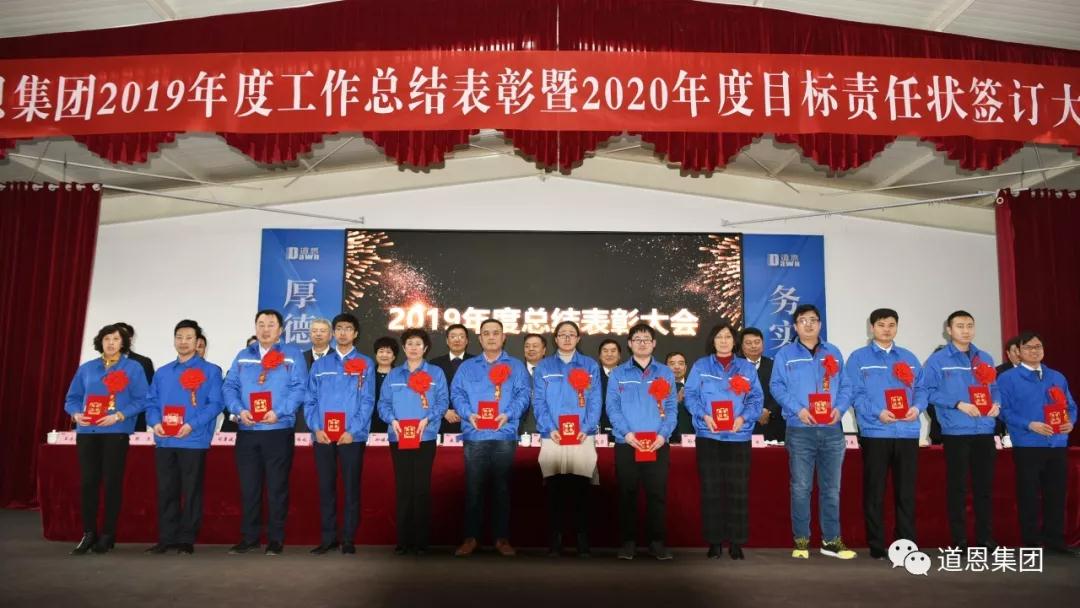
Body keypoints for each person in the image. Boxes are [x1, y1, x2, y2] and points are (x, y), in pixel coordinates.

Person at [770, 304, 855, 560]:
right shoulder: (785, 354)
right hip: (800, 430)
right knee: (801, 487)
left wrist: (840, 409)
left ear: (820, 324)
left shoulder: (834, 352)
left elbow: (846, 386)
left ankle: (831, 541)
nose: (808, 324)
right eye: (803, 320)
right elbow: (777, 386)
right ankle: (801, 541)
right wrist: (798, 410)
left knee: (831, 489)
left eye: (813, 320)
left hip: (832, 430)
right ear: (795, 326)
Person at [222, 309, 308, 556]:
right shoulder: (243, 355)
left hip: (277, 430)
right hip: (248, 430)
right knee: (249, 487)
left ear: (280, 330)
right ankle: (249, 538)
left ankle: (275, 539)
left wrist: (279, 412)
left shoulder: (292, 355)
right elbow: (230, 386)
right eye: (261, 324)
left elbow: (299, 388)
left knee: (277, 487)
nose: (265, 329)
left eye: (271, 324)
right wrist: (238, 410)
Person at [845, 309, 926, 560]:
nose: (887, 329)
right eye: (881, 325)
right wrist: (877, 412)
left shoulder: (909, 357)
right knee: (875, 490)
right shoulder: (858, 358)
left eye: (891, 325)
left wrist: (917, 408)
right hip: (876, 431)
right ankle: (877, 544)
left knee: (906, 492)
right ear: (871, 328)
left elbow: (922, 389)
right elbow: (855, 394)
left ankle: (906, 541)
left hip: (907, 432)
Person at [64, 323, 150, 555]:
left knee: (112, 482)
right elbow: (72, 399)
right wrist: (76, 414)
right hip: (87, 432)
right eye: (106, 339)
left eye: (116, 339)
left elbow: (143, 399)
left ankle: (108, 534)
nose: (111, 343)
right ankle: (88, 533)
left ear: (124, 343)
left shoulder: (133, 368)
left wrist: (119, 415)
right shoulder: (87, 368)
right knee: (88, 483)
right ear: (100, 342)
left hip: (116, 432)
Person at [920, 310, 1000, 550]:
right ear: (949, 330)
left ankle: (985, 537)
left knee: (984, 488)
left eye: (969, 326)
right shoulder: (938, 360)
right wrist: (957, 404)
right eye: (960, 326)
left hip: (984, 430)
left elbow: (994, 388)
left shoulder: (985, 357)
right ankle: (960, 539)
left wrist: (997, 404)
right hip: (956, 432)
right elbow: (927, 392)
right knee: (958, 488)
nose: (966, 330)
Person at [684, 321, 763, 560]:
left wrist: (743, 418)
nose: (724, 341)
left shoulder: (746, 367)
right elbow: (690, 396)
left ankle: (737, 542)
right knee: (711, 490)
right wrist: (704, 416)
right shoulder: (700, 366)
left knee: (738, 490)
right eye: (719, 337)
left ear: (734, 341)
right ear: (713, 341)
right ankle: (714, 541)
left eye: (728, 336)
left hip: (739, 436)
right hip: (709, 435)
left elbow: (756, 399)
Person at [451, 319, 530, 557]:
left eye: (496, 333)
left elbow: (523, 395)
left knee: (502, 489)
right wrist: (468, 414)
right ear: (480, 338)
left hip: (504, 434)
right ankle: (471, 538)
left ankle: (501, 539)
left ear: (504, 337)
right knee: (473, 489)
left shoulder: (516, 366)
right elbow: (457, 393)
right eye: (486, 333)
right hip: (475, 434)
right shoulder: (467, 366)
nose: (492, 337)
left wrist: (508, 414)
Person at [144, 320, 224, 555]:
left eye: (189, 338)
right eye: (179, 337)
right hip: (165, 440)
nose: (183, 342)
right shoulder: (162, 372)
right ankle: (166, 538)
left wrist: (191, 425)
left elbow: (216, 404)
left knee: (191, 491)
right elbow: (150, 402)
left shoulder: (211, 371)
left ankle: (186, 538)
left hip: (193, 439)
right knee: (166, 490)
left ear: (198, 342)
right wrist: (155, 423)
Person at [997, 332, 1079, 557]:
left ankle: (1055, 540)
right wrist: (1029, 424)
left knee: (1056, 494)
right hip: (1028, 444)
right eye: (1029, 347)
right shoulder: (1007, 379)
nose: (1035, 351)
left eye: (1038, 347)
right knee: (1029, 495)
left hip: (1057, 443)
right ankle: (1031, 542)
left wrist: (1070, 422)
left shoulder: (1057, 377)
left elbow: (1071, 406)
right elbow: (1004, 411)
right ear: (1018, 352)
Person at [305, 313, 375, 555]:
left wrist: (352, 430)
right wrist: (316, 428)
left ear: (355, 333)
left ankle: (348, 539)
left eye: (348, 328)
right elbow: (310, 400)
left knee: (351, 488)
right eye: (339, 328)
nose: (343, 332)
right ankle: (328, 539)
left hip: (351, 437)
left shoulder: (365, 363)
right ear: (333, 333)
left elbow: (367, 401)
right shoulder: (320, 365)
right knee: (326, 488)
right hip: (323, 436)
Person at [607, 323, 678, 561]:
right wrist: (627, 434)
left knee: (657, 495)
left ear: (654, 343)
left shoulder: (665, 373)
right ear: (629, 344)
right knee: (627, 494)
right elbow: (612, 408)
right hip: (627, 443)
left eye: (646, 339)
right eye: (637, 339)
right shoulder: (618, 373)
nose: (642, 343)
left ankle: (657, 543)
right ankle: (628, 543)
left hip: (657, 442)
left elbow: (671, 408)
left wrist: (663, 435)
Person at [533, 321, 602, 557]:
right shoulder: (544, 366)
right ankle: (556, 539)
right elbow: (538, 401)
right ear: (555, 338)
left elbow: (595, 401)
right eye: (562, 334)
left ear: (578, 338)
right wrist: (549, 427)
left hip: (582, 435)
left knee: (581, 488)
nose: (567, 338)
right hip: (553, 435)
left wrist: (587, 427)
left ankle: (582, 539)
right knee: (555, 489)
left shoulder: (590, 365)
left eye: (571, 334)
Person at [377, 328, 449, 555]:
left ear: (425, 348)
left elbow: (442, 402)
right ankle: (403, 541)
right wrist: (392, 420)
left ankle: (421, 542)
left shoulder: (436, 373)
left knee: (421, 488)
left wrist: (428, 419)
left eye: (418, 344)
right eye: (409, 344)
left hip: (425, 436)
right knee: (403, 488)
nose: (414, 348)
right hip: (398, 436)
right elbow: (383, 404)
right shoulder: (394, 375)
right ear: (404, 347)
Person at [742, 328, 784, 442]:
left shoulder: (774, 366)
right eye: (748, 343)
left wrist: (768, 410)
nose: (753, 346)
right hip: (743, 425)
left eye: (757, 342)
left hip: (770, 424)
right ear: (742, 346)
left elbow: (781, 390)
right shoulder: (734, 367)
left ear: (763, 344)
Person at [430, 323, 473, 433]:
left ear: (467, 341)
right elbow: (429, 392)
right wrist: (444, 411)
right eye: (453, 336)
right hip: (442, 420)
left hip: (470, 420)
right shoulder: (434, 364)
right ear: (447, 341)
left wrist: (465, 412)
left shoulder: (476, 363)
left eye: (461, 336)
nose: (457, 340)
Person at [116, 322, 155, 431]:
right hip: (105, 422)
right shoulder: (99, 364)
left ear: (130, 338)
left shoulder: (143, 362)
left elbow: (150, 392)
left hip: (135, 420)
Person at [297, 318, 333, 433]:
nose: (318, 334)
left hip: (331, 416)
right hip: (302, 417)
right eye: (314, 331)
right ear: (310, 334)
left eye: (322, 331)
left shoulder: (339, 359)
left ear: (331, 335)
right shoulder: (299, 358)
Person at [520, 333, 548, 435]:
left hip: (549, 431)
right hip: (521, 431)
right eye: (527, 346)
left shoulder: (553, 372)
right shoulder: (515, 371)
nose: (530, 349)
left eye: (535, 346)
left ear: (544, 350)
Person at [371, 336, 399, 434]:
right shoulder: (367, 375)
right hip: (370, 421)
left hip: (393, 422)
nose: (384, 355)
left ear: (394, 356)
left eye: (388, 352)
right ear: (376, 354)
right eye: (381, 351)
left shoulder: (399, 376)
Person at [597, 339, 623, 437]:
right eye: (605, 351)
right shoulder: (592, 377)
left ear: (619, 355)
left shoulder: (627, 376)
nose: (609, 354)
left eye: (613, 351)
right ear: (599, 356)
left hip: (624, 430)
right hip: (599, 428)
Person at [665, 352, 692, 442]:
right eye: (672, 364)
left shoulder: (694, 386)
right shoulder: (656, 387)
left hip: (691, 437)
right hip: (665, 438)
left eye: (681, 363)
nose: (677, 367)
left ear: (685, 367)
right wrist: (674, 401)